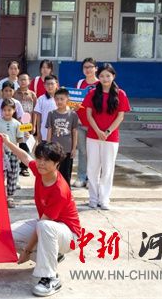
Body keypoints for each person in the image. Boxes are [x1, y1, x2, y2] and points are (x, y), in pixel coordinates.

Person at [1, 135, 81, 298]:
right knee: (5, 235)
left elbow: (44, 223)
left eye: (47, 160)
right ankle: (54, 256)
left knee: (44, 226)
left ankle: (50, 278)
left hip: (69, 236)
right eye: (39, 158)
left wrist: (27, 251)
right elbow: (24, 157)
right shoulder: (39, 171)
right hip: (48, 228)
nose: (41, 163)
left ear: (57, 163)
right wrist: (8, 143)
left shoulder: (59, 190)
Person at [82, 63, 130, 210]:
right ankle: (93, 198)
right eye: (102, 76)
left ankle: (104, 199)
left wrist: (107, 132)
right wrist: (98, 131)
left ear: (113, 76)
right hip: (93, 136)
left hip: (111, 138)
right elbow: (88, 115)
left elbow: (120, 116)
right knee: (92, 168)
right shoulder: (92, 93)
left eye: (108, 76)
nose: (105, 78)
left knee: (108, 169)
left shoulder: (120, 94)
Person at [0, 98, 24, 208]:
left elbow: (20, 139)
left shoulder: (17, 124)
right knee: (0, 175)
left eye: (9, 110)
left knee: (13, 175)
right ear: (1, 110)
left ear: (14, 110)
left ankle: (10, 197)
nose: (7, 112)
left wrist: (25, 135)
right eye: (4, 110)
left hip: (13, 153)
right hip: (1, 154)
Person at [73, 58, 99, 188]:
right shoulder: (80, 83)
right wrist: (74, 108)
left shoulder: (101, 84)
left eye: (90, 67)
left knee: (94, 153)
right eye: (85, 67)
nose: (88, 69)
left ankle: (92, 178)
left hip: (95, 125)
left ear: (96, 68)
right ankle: (81, 177)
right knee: (83, 152)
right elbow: (75, 101)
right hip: (80, 123)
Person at [46, 88, 79, 185]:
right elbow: (50, 130)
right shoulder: (51, 114)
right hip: (54, 149)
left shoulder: (73, 114)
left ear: (67, 100)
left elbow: (74, 131)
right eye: (57, 99)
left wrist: (74, 148)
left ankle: (66, 190)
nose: (59, 101)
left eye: (62, 99)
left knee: (66, 172)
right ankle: (53, 189)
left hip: (67, 149)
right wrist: (48, 146)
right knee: (53, 171)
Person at [34, 75, 58, 142]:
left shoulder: (61, 98)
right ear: (44, 85)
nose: (50, 86)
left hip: (59, 134)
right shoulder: (41, 99)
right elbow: (38, 117)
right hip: (44, 133)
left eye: (52, 84)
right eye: (47, 84)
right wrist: (38, 132)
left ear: (56, 84)